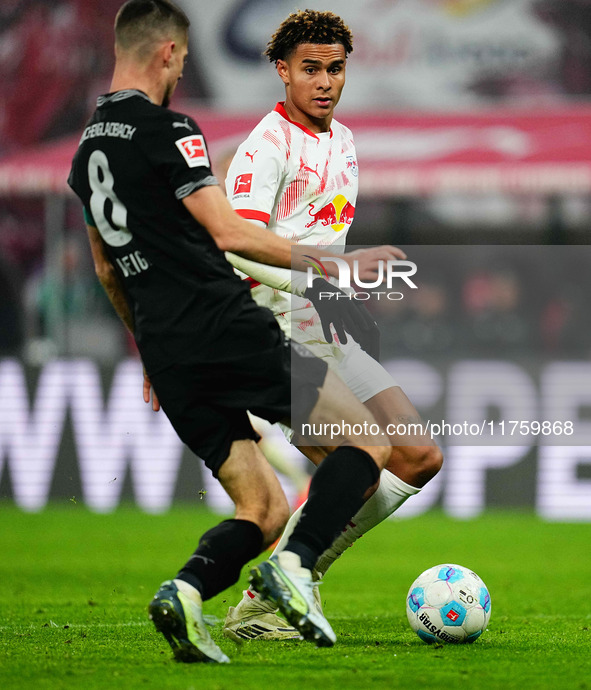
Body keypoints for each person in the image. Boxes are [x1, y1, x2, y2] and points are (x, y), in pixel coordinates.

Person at [67, 0, 402, 663]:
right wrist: (332, 266)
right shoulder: (172, 129)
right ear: (167, 52)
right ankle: (296, 568)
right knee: (364, 442)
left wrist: (146, 352)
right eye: (184, 59)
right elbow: (229, 233)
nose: (182, 70)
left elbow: (107, 269)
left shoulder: (85, 152)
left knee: (263, 509)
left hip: (165, 348)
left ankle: (187, 593)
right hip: (223, 323)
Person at [221, 9, 443, 642]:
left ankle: (290, 577)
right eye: (310, 69)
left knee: (419, 455)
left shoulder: (342, 141)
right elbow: (236, 248)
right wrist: (327, 272)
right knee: (360, 456)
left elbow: (325, 240)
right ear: (283, 71)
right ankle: (272, 597)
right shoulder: (264, 146)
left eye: (335, 68)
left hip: (328, 321)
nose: (324, 81)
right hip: (274, 326)